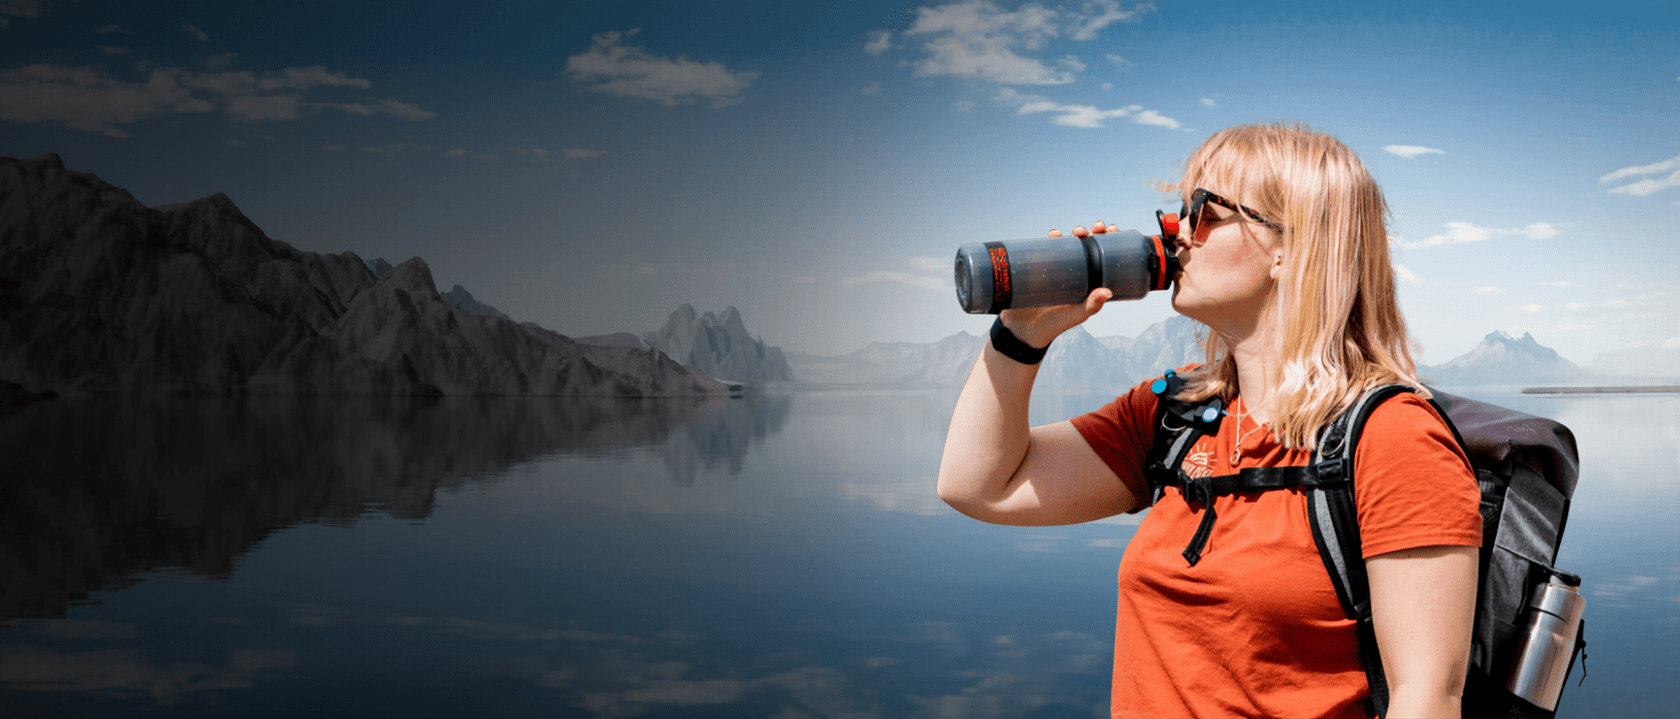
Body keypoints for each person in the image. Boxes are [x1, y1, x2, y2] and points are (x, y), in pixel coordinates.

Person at [936, 122, 1483, 719]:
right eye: (1176, 212)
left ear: (1290, 249)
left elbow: (1425, 698)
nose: (1174, 234)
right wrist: (1021, 334)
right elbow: (981, 486)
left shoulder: (1393, 437)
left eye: (1204, 211)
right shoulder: (1174, 414)